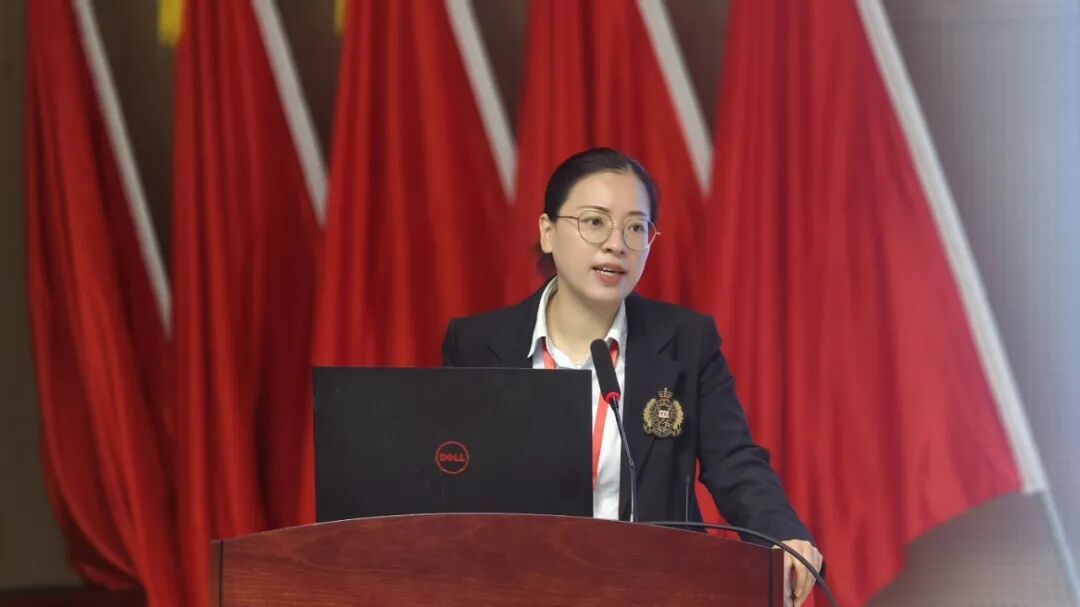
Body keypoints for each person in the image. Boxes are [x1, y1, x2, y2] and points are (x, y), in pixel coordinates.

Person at [441, 148, 823, 606]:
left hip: (654, 591)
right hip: (517, 591)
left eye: (636, 227)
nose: (616, 244)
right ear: (547, 231)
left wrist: (784, 534)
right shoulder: (477, 345)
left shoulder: (686, 343)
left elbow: (734, 462)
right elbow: (451, 480)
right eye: (595, 222)